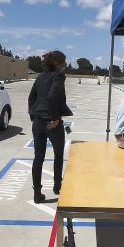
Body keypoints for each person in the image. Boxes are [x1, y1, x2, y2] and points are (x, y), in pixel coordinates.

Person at [28, 50, 73, 204]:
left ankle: (37, 193)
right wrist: (54, 118)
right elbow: (52, 96)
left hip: (38, 123)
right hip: (52, 122)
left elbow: (31, 97)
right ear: (57, 63)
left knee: (38, 158)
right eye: (63, 62)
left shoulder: (39, 77)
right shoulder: (59, 76)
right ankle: (57, 185)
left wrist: (33, 116)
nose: (65, 65)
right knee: (58, 155)